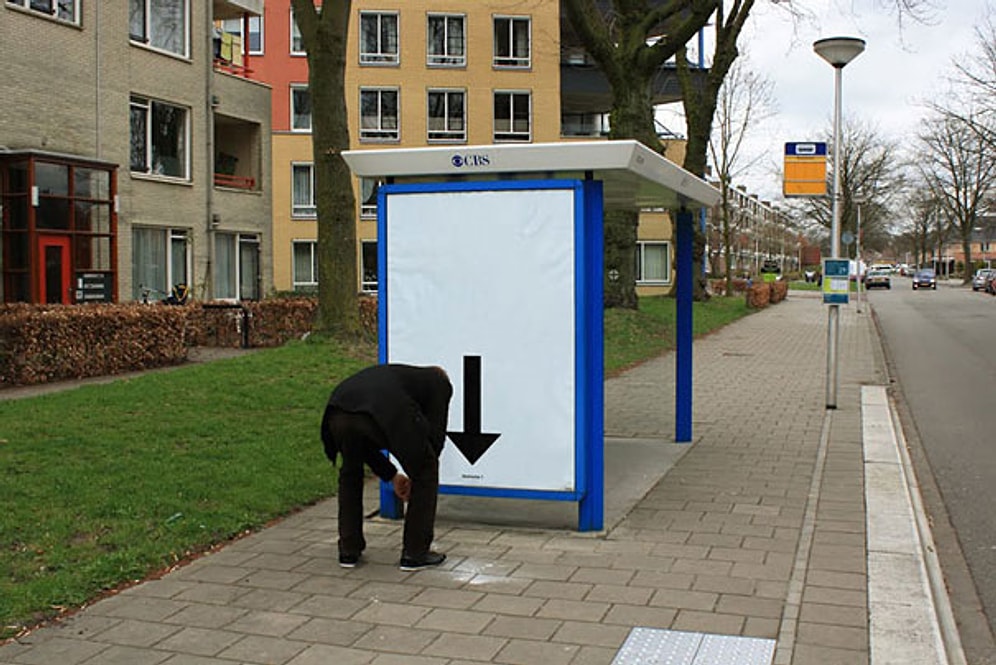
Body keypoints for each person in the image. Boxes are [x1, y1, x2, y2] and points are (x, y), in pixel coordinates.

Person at [320, 363, 453, 571]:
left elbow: (366, 448)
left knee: (351, 471)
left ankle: (348, 549)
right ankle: (415, 553)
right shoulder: (440, 384)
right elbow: (435, 438)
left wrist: (392, 476)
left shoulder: (405, 376)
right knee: (426, 470)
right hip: (381, 409)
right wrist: (417, 475)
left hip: (338, 411)